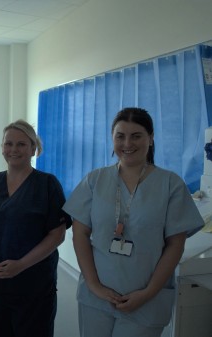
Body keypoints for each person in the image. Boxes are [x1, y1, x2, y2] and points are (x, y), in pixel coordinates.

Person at [63, 107, 205, 337]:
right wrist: (95, 286)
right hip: (97, 297)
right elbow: (79, 234)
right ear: (112, 139)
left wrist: (148, 293)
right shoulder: (95, 180)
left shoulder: (171, 184)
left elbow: (175, 244)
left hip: (145, 299)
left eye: (136, 135)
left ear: (150, 138)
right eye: (120, 136)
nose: (127, 143)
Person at [0, 119, 72, 337]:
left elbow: (57, 234)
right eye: (9, 144)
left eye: (21, 144)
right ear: (2, 147)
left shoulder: (47, 184)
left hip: (33, 284)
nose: (13, 150)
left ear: (33, 148)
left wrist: (21, 265)